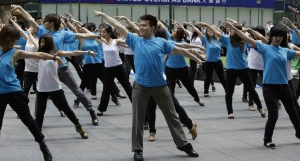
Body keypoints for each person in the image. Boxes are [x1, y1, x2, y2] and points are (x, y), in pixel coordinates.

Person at [94, 11, 200, 161]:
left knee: (172, 117)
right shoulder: (134, 40)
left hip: (161, 86)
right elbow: (117, 25)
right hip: (140, 86)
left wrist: (196, 57)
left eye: (144, 25)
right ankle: (137, 149)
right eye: (139, 25)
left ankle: (183, 144)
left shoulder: (161, 42)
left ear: (153, 28)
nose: (140, 28)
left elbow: (179, 50)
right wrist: (104, 15)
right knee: (138, 119)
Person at [11, 5, 99, 126]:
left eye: (46, 21)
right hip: (46, 69)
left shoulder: (63, 34)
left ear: (51, 23)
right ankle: (38, 120)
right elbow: (30, 19)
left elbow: (81, 36)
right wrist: (20, 9)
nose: (43, 23)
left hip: (62, 68)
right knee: (40, 94)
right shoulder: (43, 31)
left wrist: (97, 36)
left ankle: (92, 112)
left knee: (77, 91)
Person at [228, 23, 300, 149]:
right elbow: (248, 39)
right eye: (276, 36)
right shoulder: (265, 48)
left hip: (284, 86)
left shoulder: (286, 51)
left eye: (280, 36)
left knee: (293, 111)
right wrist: (235, 30)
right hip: (269, 88)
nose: (278, 38)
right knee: (273, 115)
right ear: (271, 37)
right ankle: (267, 139)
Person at [0, 24, 60, 161]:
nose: (12, 42)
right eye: (10, 39)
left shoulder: (16, 52)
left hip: (14, 91)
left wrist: (53, 57)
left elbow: (37, 54)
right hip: (0, 93)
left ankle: (42, 145)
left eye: (14, 40)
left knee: (28, 120)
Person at [197, 21, 265, 119]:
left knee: (251, 90)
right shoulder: (227, 39)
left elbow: (259, 40)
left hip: (243, 69)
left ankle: (260, 107)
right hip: (231, 70)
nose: (231, 31)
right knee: (229, 92)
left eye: (233, 29)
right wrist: (207, 25)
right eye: (231, 29)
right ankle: (230, 112)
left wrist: (250, 30)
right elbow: (217, 33)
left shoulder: (244, 40)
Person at [35, 34, 91, 139]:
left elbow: (73, 52)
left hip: (55, 88)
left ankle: (79, 127)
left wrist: (87, 52)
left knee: (66, 109)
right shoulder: (39, 54)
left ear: (49, 43)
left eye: (43, 42)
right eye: (40, 42)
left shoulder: (57, 53)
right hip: (41, 88)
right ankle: (38, 132)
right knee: (40, 112)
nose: (41, 44)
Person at [193, 22, 226, 98]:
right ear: (206, 32)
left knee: (221, 77)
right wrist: (192, 25)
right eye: (208, 31)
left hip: (218, 61)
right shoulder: (205, 39)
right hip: (209, 62)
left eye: (211, 30)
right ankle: (206, 92)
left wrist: (214, 28)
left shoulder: (218, 39)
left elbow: (221, 33)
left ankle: (227, 90)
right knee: (208, 77)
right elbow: (198, 31)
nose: (210, 32)